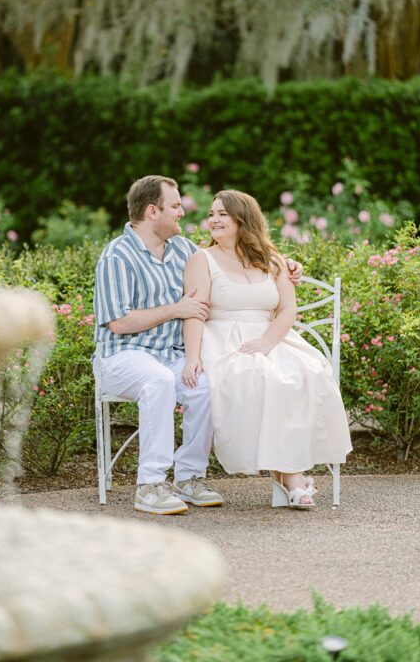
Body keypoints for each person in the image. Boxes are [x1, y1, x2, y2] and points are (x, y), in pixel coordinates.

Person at [94, 175, 300, 515]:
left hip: (170, 356)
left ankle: (189, 477)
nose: (182, 213)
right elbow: (118, 322)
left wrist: (288, 265)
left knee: (204, 385)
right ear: (151, 211)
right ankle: (150, 485)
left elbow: (233, 257)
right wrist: (176, 309)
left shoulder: (184, 250)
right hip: (122, 357)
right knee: (157, 381)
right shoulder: (117, 256)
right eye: (175, 206)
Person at [180, 190, 352, 509]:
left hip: (270, 336)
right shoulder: (201, 259)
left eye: (222, 214)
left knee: (307, 373)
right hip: (223, 340)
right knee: (259, 376)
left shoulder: (272, 260)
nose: (213, 220)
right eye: (211, 214)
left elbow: (287, 309)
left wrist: (267, 342)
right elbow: (195, 311)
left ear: (242, 219)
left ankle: (288, 475)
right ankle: (293, 479)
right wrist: (192, 359)